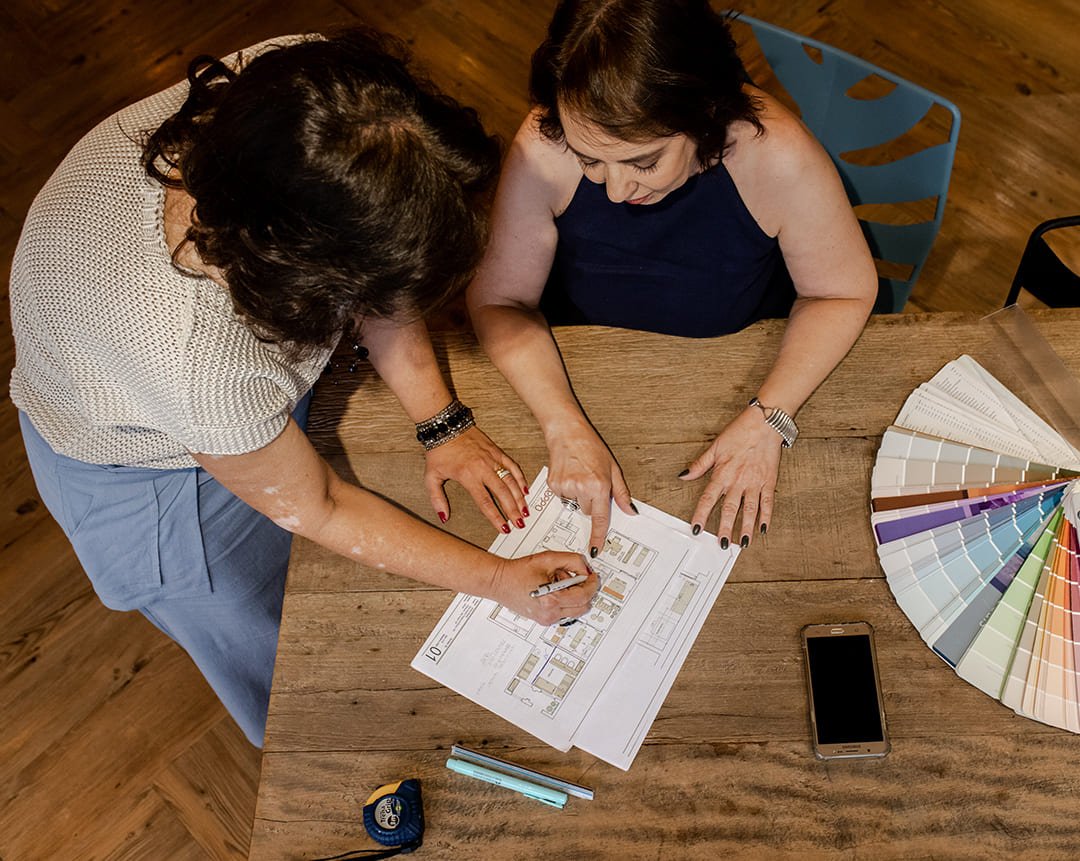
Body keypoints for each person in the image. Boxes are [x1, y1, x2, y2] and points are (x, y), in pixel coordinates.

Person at [9, 29, 597, 747]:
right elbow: (315, 506)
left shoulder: (317, 94)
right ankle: (321, 757)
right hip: (141, 469)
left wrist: (442, 421)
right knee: (284, 659)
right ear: (309, 279)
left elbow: (375, 255)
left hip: (185, 364)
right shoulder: (203, 363)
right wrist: (501, 580)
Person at [466, 0, 877, 557]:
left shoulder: (775, 154)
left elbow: (842, 290)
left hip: (737, 366)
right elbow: (500, 299)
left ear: (704, 113)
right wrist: (561, 423)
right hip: (582, 366)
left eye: (643, 162)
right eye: (590, 161)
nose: (614, 191)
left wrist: (770, 418)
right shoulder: (546, 142)